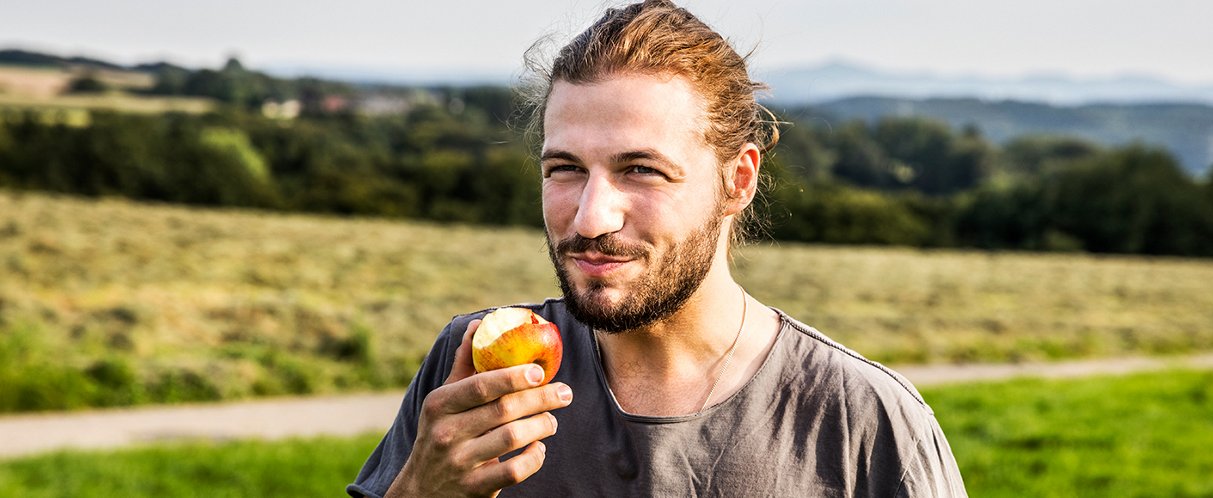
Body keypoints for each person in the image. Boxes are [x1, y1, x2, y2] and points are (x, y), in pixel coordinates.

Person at [348, 1, 967, 496]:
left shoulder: (864, 419)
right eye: (564, 169)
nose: (590, 217)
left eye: (641, 170)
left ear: (738, 181)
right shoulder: (476, 368)